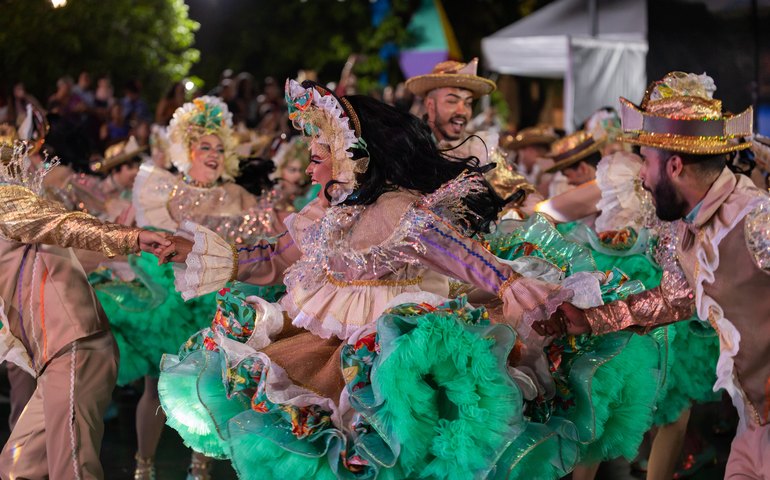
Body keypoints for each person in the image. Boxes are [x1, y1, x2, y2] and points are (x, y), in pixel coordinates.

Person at [154, 79, 573, 479]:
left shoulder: (397, 209)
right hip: (325, 350)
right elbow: (271, 259)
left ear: (355, 155)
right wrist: (191, 250)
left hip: (393, 356)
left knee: (389, 456)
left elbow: (463, 255)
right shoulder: (327, 210)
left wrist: (511, 287)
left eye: (321, 146)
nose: (311, 152)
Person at [535, 71, 768, 478]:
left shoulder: (755, 220)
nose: (642, 176)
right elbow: (671, 299)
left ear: (674, 165)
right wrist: (588, 320)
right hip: (755, 424)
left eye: (647, 161)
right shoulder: (688, 230)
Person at [99, 95, 284, 480]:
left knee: (213, 393)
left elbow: (259, 248)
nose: (213, 154)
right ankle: (143, 468)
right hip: (171, 301)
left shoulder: (238, 196)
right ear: (187, 149)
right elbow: (148, 246)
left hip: (214, 303)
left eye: (219, 147)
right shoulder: (162, 190)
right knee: (155, 388)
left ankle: (199, 472)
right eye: (205, 146)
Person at [0, 142, 170, 480]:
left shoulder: (5, 203)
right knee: (16, 468)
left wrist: (132, 237)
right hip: (54, 357)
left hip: (74, 346)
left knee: (73, 471)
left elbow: (66, 225)